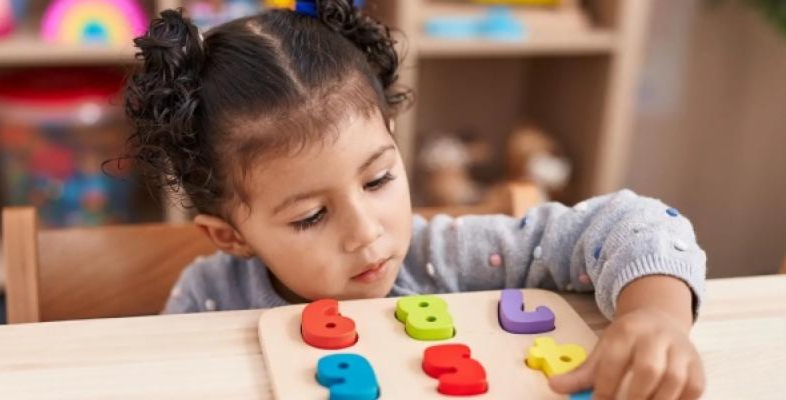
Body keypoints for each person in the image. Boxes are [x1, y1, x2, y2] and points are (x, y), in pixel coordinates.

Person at [118, 2, 706, 398]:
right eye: (310, 217)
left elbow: (638, 221)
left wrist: (655, 316)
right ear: (232, 236)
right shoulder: (208, 298)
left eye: (377, 180)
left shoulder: (446, 257)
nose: (368, 233)